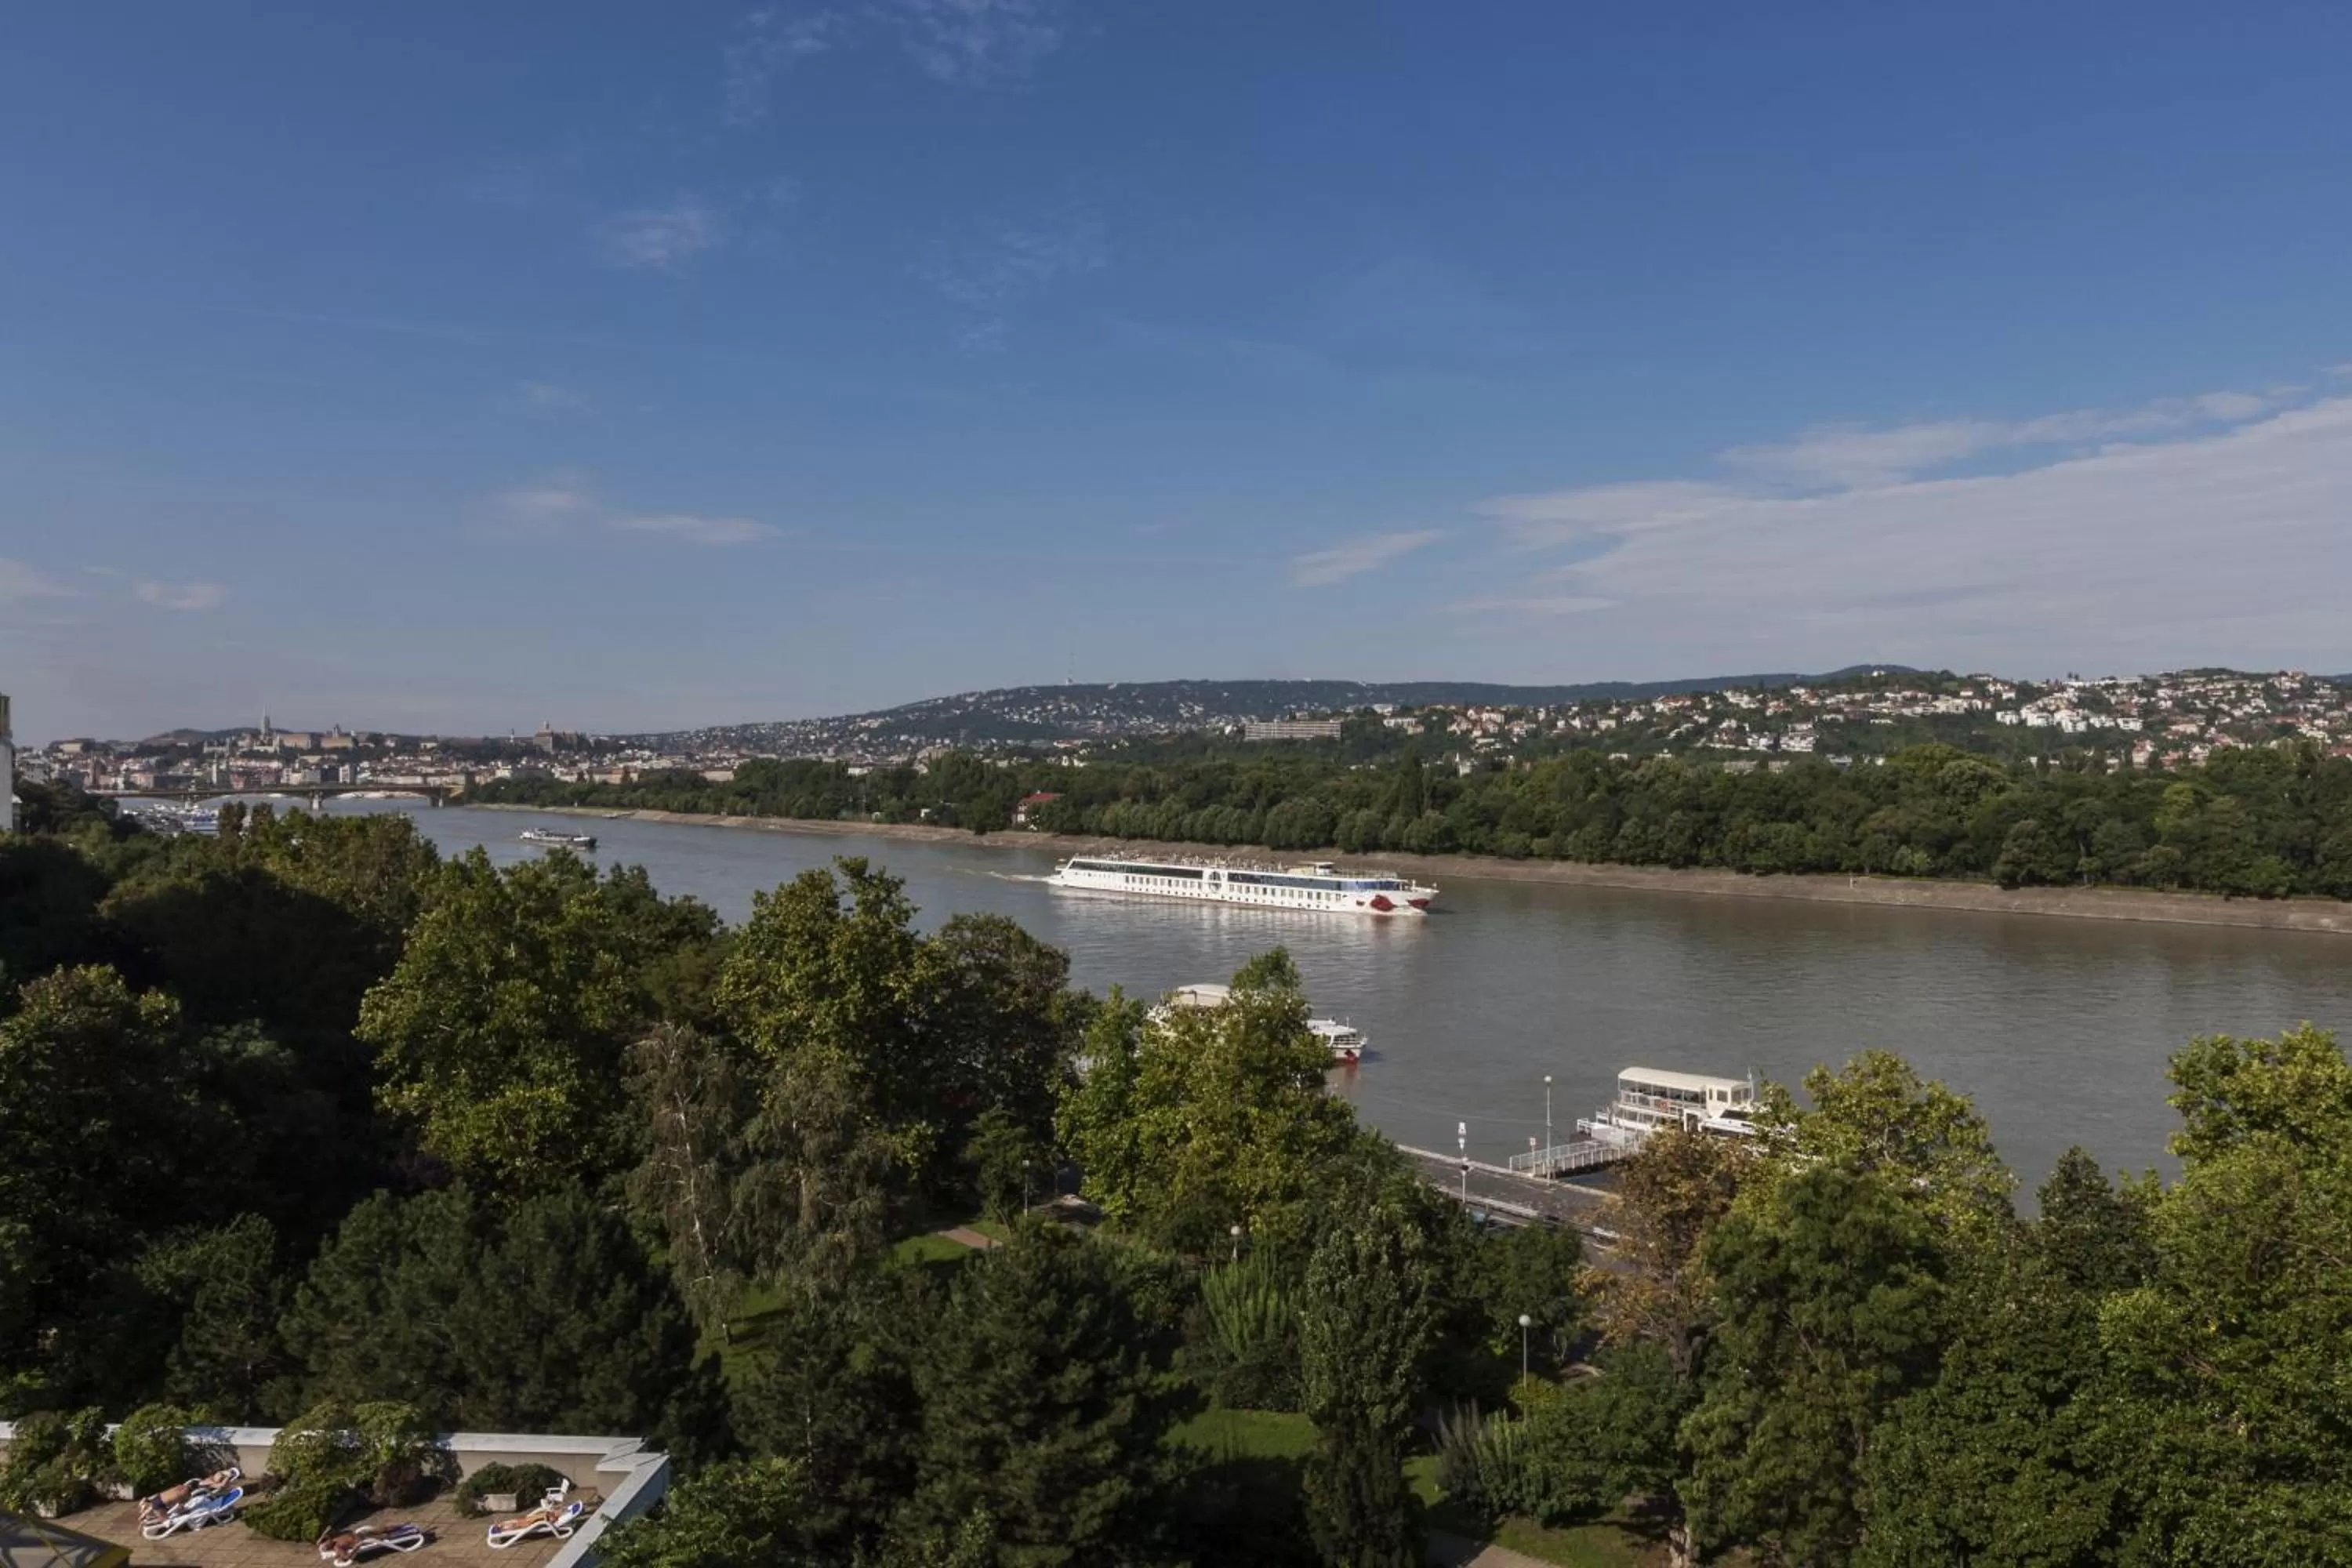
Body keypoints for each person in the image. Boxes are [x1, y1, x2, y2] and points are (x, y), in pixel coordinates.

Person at [137, 1468, 238, 1524]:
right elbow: (221, 1485)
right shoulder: (204, 1484)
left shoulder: (185, 1486)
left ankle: (145, 1513)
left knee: (156, 1506)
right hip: (160, 1504)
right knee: (164, 1520)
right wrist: (228, 1476)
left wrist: (226, 1476)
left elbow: (221, 1484)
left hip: (159, 1498)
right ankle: (147, 1521)